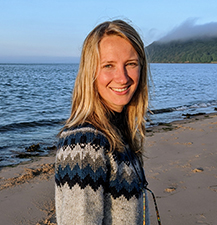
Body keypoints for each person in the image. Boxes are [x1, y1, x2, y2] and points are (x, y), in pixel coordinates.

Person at [55, 19, 150, 225]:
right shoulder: (84, 143)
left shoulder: (118, 132)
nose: (122, 78)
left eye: (131, 64)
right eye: (109, 65)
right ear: (91, 73)